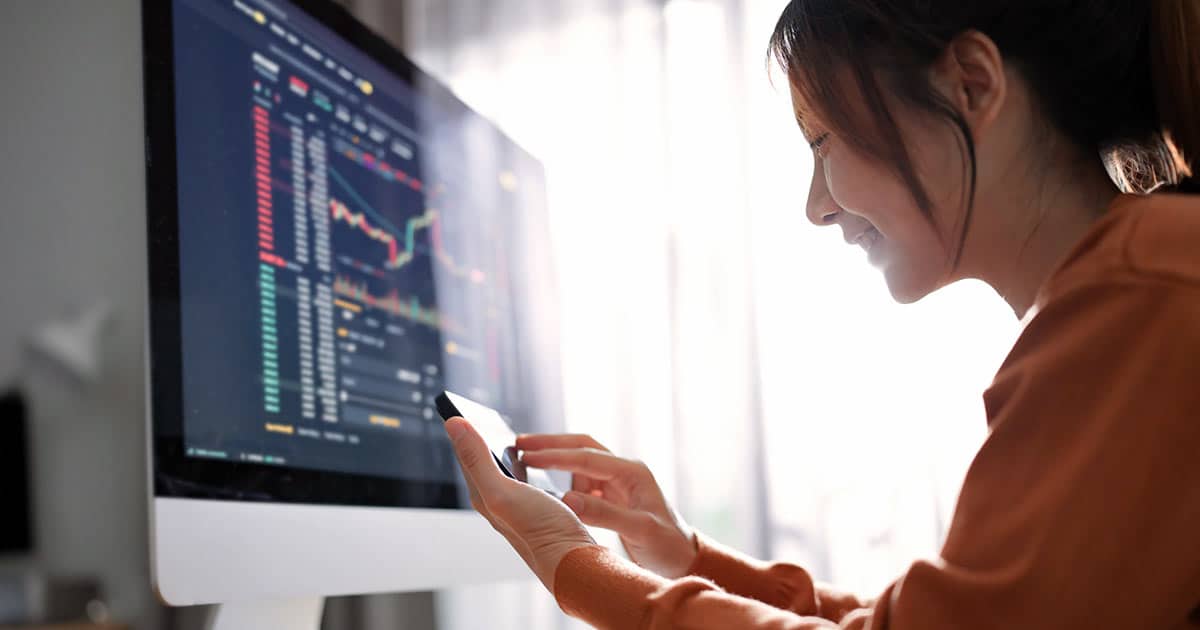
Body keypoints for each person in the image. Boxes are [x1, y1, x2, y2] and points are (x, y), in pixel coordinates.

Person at [443, 0, 1200, 627]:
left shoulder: (1141, 295)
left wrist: (575, 566)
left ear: (972, 84)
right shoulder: (1138, 284)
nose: (815, 206)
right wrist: (689, 557)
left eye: (823, 140)